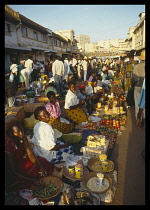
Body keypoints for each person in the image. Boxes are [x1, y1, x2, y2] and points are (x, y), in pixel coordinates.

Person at [5, 122, 62, 192]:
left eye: (22, 130)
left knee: (42, 160)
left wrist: (40, 166)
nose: (21, 134)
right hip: (17, 167)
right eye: (17, 132)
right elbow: (13, 170)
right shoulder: (9, 146)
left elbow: (30, 152)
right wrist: (32, 180)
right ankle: (47, 179)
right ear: (11, 134)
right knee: (34, 169)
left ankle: (54, 175)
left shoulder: (22, 137)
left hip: (24, 159)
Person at [132, 49, 145, 120]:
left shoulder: (137, 66)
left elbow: (135, 79)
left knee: (138, 103)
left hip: (139, 87)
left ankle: (139, 118)